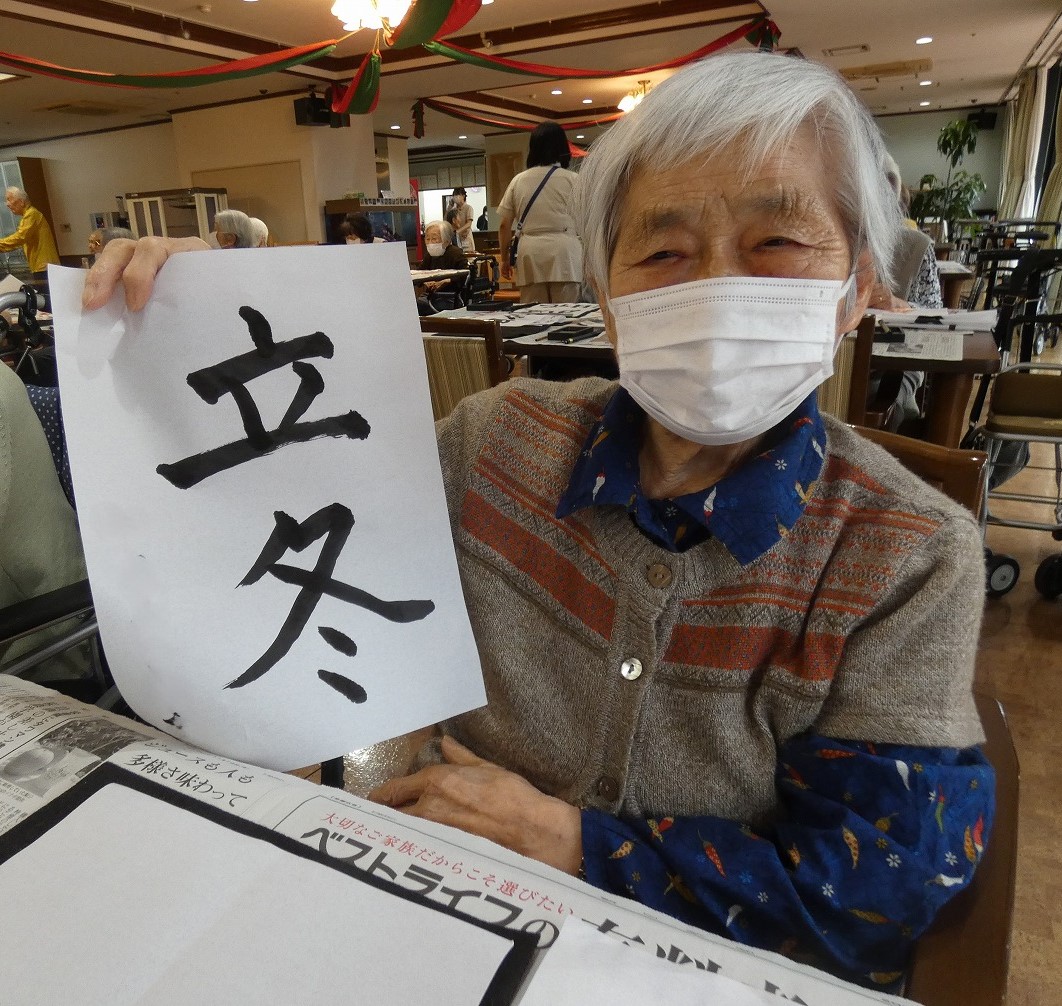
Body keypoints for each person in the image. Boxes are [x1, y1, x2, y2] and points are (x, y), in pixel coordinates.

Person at [83, 52, 993, 989]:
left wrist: (576, 844)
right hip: (431, 915)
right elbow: (277, 526)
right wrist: (187, 324)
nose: (718, 286)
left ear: (858, 288)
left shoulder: (909, 555)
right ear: (608, 296)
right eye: (664, 252)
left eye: (779, 242)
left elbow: (877, 888)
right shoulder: (494, 441)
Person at [498, 121, 582, 303]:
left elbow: (505, 225)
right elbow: (587, 221)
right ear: (562, 147)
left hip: (530, 252)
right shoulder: (573, 180)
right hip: (565, 252)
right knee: (567, 313)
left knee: (533, 312)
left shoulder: (518, 181)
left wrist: (504, 259)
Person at [1, 187, 60, 278]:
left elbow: (20, 237)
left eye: (9, 199)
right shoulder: (29, 215)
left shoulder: (31, 214)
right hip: (42, 267)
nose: (7, 204)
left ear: (21, 202)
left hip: (44, 268)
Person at [449, 186, 476, 254]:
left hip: (466, 237)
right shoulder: (454, 209)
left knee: (468, 255)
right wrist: (449, 207)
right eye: (454, 195)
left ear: (463, 196)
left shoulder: (468, 208)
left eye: (458, 195)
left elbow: (469, 224)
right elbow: (447, 221)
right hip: (457, 238)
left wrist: (458, 232)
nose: (456, 197)